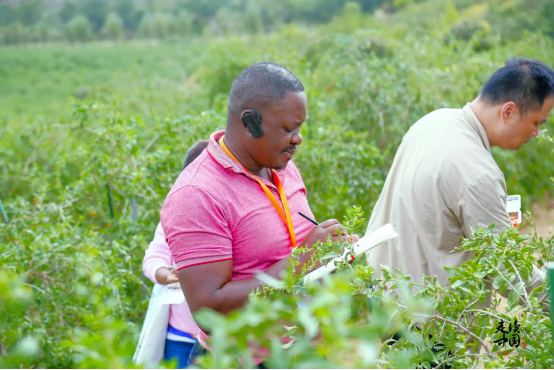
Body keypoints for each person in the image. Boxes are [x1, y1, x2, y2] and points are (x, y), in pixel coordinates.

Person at [160, 62, 357, 365]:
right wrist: (303, 258)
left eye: (300, 127)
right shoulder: (197, 194)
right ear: (250, 122)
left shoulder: (283, 168)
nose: (298, 139)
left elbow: (289, 256)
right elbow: (209, 309)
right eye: (288, 129)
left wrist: (331, 255)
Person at [365, 58, 554, 288]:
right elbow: (507, 271)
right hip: (425, 317)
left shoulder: (433, 121)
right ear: (508, 112)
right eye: (536, 122)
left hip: (384, 294)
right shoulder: (477, 172)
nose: (536, 133)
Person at [142, 140, 208, 368]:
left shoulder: (232, 215)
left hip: (224, 337)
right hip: (182, 337)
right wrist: (166, 274)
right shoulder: (175, 217)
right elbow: (154, 257)